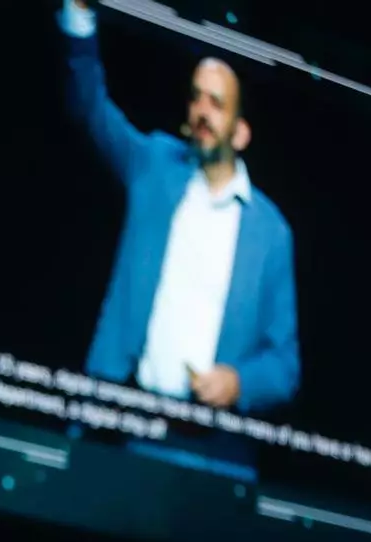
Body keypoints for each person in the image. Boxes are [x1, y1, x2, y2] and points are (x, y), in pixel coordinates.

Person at [59, 0, 301, 418]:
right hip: (122, 413)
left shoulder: (271, 233)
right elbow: (90, 109)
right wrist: (79, 16)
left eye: (217, 103)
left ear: (241, 133)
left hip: (205, 437)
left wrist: (239, 382)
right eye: (196, 98)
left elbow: (285, 365)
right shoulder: (154, 165)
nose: (203, 111)